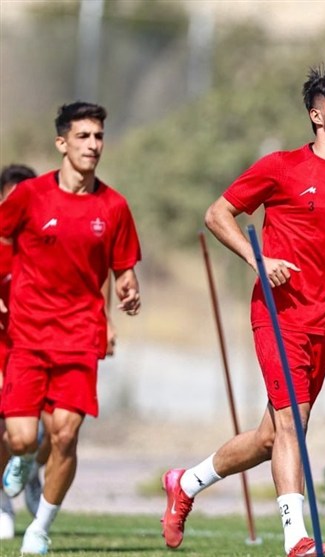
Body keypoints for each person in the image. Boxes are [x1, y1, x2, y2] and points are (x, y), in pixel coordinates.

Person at [160, 56, 325, 557]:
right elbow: (217, 214)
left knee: (272, 436)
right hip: (279, 315)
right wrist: (258, 259)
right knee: (293, 424)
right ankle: (298, 540)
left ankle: (186, 482)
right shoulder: (281, 167)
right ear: (316, 114)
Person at [0, 102, 142, 555]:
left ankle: (39, 528)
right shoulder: (29, 195)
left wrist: (128, 289)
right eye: (83, 136)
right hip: (28, 335)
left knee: (65, 434)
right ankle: (22, 461)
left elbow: (123, 267)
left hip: (81, 336)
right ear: (62, 143)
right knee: (23, 437)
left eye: (98, 136)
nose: (93, 145)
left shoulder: (114, 206)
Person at [0, 164, 38, 540]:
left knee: (51, 431)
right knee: (4, 428)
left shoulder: (47, 240)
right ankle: (2, 501)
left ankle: (30, 467)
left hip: (43, 342)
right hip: (5, 347)